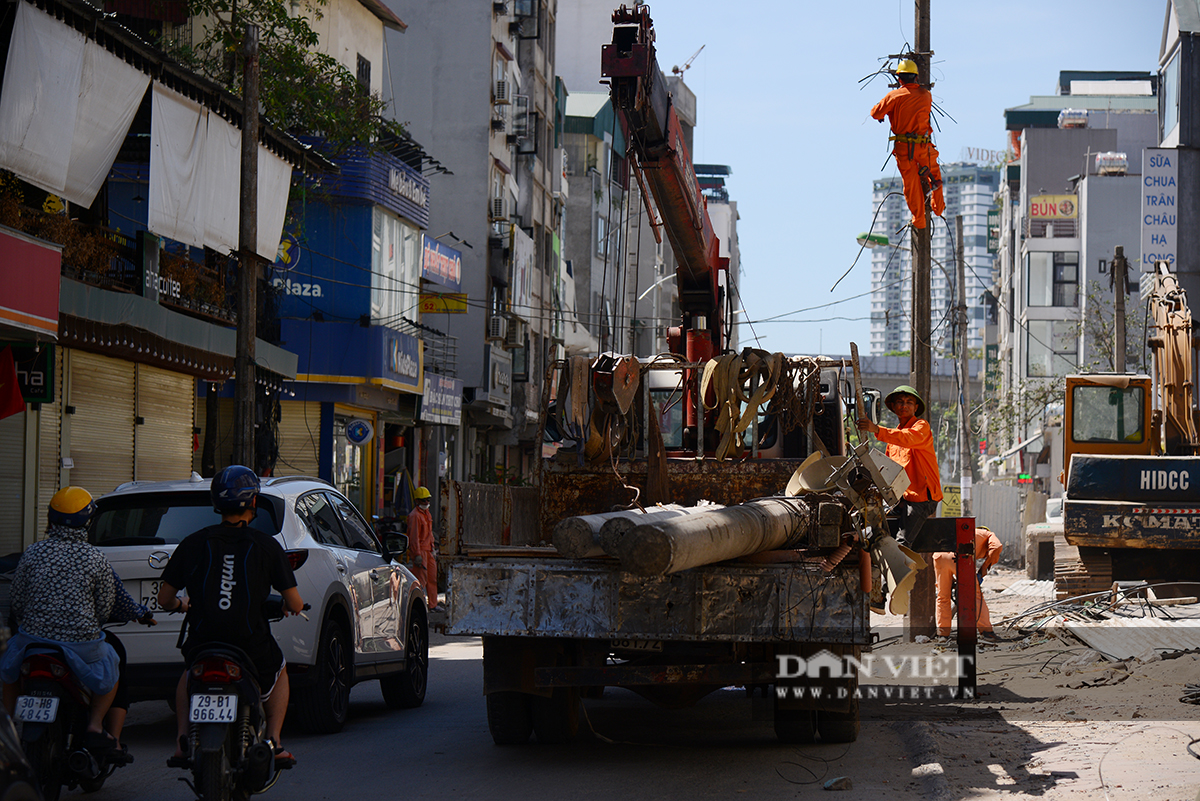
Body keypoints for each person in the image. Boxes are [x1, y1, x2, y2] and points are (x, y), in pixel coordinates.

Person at [158, 465, 304, 766]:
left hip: (203, 640)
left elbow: (165, 599)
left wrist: (180, 605)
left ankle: (182, 741)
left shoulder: (193, 542)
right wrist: (290, 606)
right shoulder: (266, 545)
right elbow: (296, 602)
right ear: (253, 503)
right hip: (250, 643)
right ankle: (274, 741)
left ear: (216, 503)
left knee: (189, 675)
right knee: (279, 670)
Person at [0, 487, 123, 751]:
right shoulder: (96, 558)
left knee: (9, 666)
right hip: (82, 645)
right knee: (111, 663)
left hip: (32, 642)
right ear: (88, 520)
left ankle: (7, 724)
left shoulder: (32, 553)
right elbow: (103, 609)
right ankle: (95, 725)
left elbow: (18, 602)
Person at [856, 385, 943, 546]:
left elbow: (907, 437)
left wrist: (876, 429)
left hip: (921, 498)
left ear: (916, 407)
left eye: (909, 402)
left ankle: (900, 568)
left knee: (902, 543)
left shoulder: (921, 427)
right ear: (894, 407)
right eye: (900, 402)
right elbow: (889, 471)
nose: (904, 405)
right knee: (871, 532)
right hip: (900, 498)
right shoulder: (893, 440)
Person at [870, 58, 946, 229]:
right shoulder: (926, 95)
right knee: (934, 174)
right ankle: (939, 207)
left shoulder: (894, 96)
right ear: (916, 78)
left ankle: (919, 220)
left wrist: (883, 112)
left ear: (899, 79)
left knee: (911, 185)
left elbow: (875, 113)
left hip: (904, 149)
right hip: (924, 147)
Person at [932, 525, 1003, 639]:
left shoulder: (971, 533)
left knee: (943, 596)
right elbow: (997, 547)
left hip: (939, 555)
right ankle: (986, 631)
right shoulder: (989, 535)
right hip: (959, 555)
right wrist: (985, 567)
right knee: (975, 595)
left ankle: (942, 634)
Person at [407, 486, 438, 611]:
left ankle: (432, 605)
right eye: (423, 500)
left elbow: (429, 534)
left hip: (428, 551)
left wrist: (433, 548)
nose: (426, 502)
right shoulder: (415, 516)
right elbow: (414, 537)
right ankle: (418, 606)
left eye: (428, 500)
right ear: (417, 501)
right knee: (421, 580)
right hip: (421, 552)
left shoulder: (426, 514)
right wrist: (417, 554)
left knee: (432, 579)